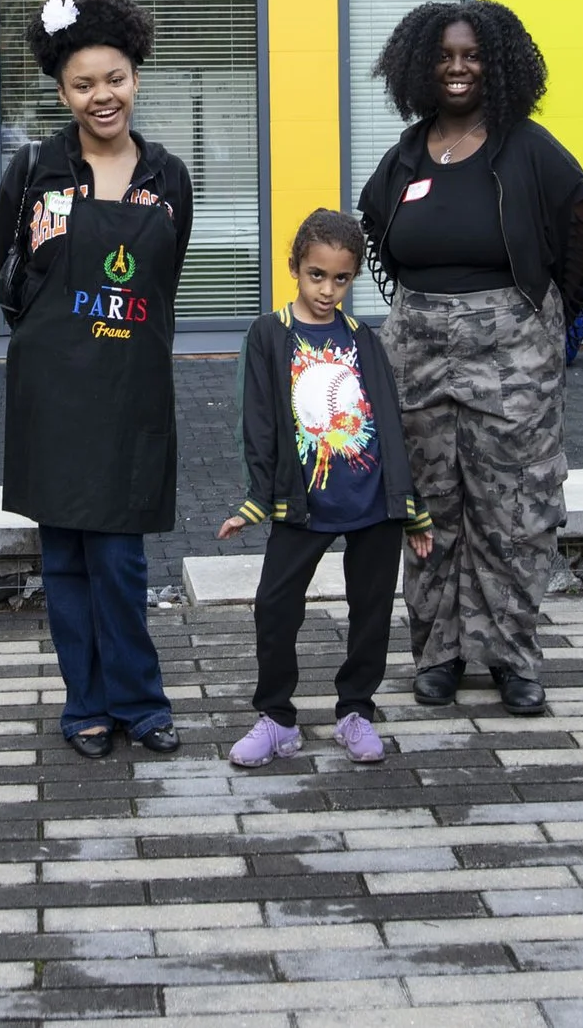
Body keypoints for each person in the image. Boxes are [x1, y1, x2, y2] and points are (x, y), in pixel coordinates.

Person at [355, 0, 583, 718]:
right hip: (416, 356)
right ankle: (438, 654)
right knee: (427, 507)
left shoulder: (529, 147)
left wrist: (555, 329)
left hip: (511, 355)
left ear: (497, 65)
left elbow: (581, 233)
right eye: (443, 56)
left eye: (471, 55)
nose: (457, 68)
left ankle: (512, 658)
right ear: (418, 67)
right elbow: (376, 228)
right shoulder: (407, 152)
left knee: (513, 511)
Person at [0, 0, 193, 760]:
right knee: (65, 559)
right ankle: (85, 704)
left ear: (135, 77)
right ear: (61, 91)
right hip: (52, 391)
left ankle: (140, 701)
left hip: (131, 390)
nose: (101, 95)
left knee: (120, 557)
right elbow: (8, 274)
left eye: (114, 78)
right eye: (83, 83)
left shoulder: (169, 177)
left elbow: (165, 282)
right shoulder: (35, 168)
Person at [218, 210, 433, 768]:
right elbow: (257, 422)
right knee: (274, 607)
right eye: (317, 275)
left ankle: (355, 710)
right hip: (303, 503)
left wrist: (409, 506)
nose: (327, 290)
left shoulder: (363, 338)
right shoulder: (269, 335)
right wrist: (257, 497)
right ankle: (276, 719)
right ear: (294, 267)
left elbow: (389, 423)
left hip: (372, 503)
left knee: (371, 612)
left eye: (341, 279)